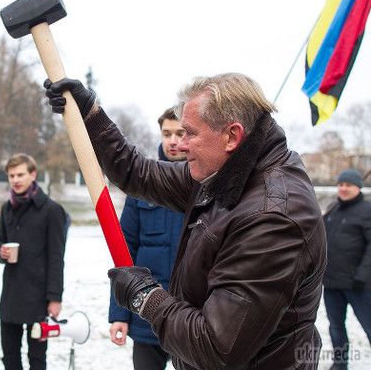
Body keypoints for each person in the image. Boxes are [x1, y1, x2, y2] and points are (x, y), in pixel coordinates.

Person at [44, 73, 326, 369]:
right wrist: (89, 114)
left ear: (232, 136)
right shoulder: (224, 173)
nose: (181, 145)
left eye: (190, 133)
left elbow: (217, 347)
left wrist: (146, 297)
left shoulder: (272, 217)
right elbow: (136, 171)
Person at [108, 108, 185, 370]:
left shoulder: (209, 186)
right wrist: (119, 314)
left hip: (192, 320)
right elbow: (124, 252)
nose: (173, 141)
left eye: (180, 133)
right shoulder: (144, 184)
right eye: (167, 134)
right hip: (146, 314)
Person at [0, 153, 68, 370]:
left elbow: (57, 257)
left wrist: (55, 298)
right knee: (10, 359)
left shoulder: (52, 210)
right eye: (11, 176)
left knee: (37, 360)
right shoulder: (6, 208)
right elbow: (0, 242)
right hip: (10, 295)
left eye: (20, 174)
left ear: (33, 174)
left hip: (39, 297)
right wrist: (1, 252)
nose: (15, 180)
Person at [322, 169, 371, 370]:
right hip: (332, 283)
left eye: (348, 185)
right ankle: (340, 364)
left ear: (358, 187)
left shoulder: (367, 211)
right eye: (340, 184)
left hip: (359, 285)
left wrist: (363, 275)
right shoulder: (333, 209)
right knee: (336, 327)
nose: (343, 188)